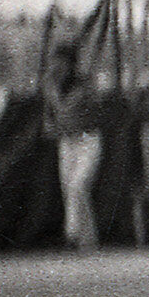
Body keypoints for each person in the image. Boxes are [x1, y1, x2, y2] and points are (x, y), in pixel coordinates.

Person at [42, 41, 103, 250]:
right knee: (71, 190)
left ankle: (71, 234)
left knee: (78, 185)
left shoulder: (85, 83)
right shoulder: (50, 84)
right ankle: (88, 241)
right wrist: (52, 126)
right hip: (66, 141)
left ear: (71, 63)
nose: (58, 65)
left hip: (87, 139)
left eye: (63, 62)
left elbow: (92, 110)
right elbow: (48, 116)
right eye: (55, 61)